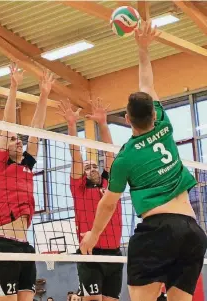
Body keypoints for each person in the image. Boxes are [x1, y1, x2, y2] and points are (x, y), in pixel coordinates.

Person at [80, 20, 207, 301]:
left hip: (157, 232)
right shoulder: (164, 122)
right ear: (153, 113)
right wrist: (143, 49)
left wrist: (93, 235)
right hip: (192, 231)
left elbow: (108, 203)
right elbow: (147, 84)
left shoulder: (125, 157)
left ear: (127, 120)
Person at [0, 63, 54, 301]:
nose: (18, 141)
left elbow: (37, 130)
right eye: (13, 139)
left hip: (25, 246)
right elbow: (6, 126)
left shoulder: (26, 166)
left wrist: (44, 95)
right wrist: (13, 87)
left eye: (19, 139)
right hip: (3, 245)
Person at [57, 98, 123, 301]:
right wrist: (71, 125)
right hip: (90, 253)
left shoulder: (110, 185)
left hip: (114, 253)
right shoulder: (79, 189)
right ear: (82, 173)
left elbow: (110, 154)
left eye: (95, 166)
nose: (92, 169)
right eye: (88, 167)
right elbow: (76, 155)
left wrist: (103, 124)